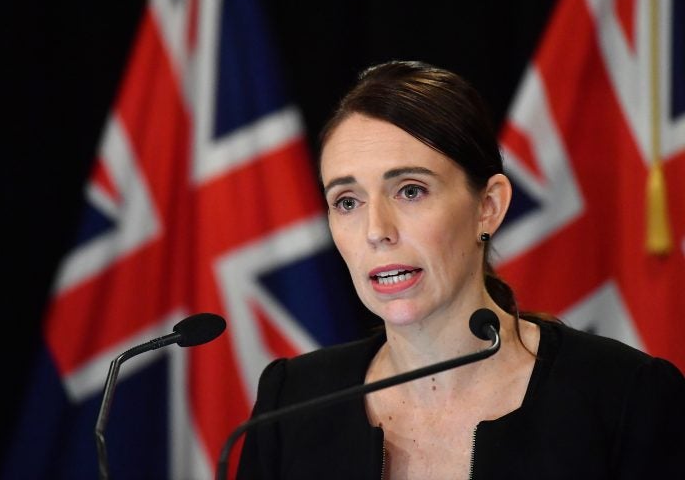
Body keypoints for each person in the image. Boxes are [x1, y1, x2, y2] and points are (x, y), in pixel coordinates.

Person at [235, 61, 685, 479]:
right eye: (347, 202)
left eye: (410, 191)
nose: (376, 230)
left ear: (488, 207)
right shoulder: (293, 402)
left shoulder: (625, 397)